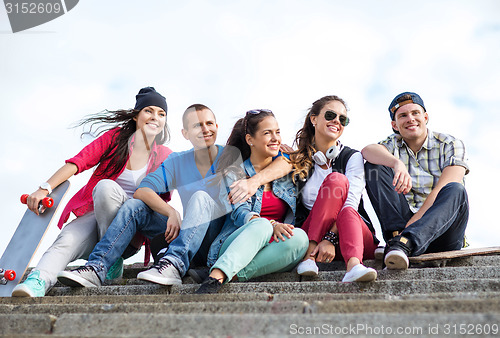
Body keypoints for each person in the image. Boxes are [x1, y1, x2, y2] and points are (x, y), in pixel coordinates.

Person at [56, 104, 291, 287]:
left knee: (200, 197)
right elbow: (143, 189)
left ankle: (174, 265)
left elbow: (286, 161)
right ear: (185, 132)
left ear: (217, 127)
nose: (206, 129)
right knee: (136, 205)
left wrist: (254, 181)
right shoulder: (177, 161)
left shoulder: (231, 155)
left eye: (210, 123)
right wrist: (170, 211)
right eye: (197, 125)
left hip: (215, 236)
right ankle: (97, 267)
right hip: (185, 232)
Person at [12, 87, 173, 297]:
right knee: (67, 239)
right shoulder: (115, 139)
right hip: (98, 217)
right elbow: (79, 162)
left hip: (131, 232)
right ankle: (39, 280)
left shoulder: (165, 156)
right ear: (136, 115)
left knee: (107, 188)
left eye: (161, 114)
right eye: (148, 111)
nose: (155, 118)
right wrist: (45, 188)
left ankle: (112, 258)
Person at [195, 109, 309, 294]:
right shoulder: (234, 173)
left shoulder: (287, 173)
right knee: (261, 224)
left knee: (301, 239)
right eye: (267, 133)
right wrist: (271, 224)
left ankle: (227, 275)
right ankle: (218, 272)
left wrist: (289, 155)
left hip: (271, 248)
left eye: (277, 132)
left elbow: (302, 158)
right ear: (250, 140)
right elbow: (240, 214)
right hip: (236, 242)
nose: (275, 138)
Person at [362, 92, 469, 270]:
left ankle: (403, 244)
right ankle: (396, 240)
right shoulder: (392, 144)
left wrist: (410, 231)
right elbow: (367, 150)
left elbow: (441, 189)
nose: (410, 119)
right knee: (374, 166)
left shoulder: (450, 144)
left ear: (425, 117)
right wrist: (396, 163)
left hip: (443, 232)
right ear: (394, 125)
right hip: (401, 228)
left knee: (455, 190)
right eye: (403, 116)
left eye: (415, 113)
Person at [291, 95, 379, 283]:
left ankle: (354, 266)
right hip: (309, 238)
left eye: (342, 119)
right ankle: (308, 258)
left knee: (339, 188)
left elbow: (352, 202)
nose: (337, 121)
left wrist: (329, 239)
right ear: (314, 119)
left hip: (351, 237)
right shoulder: (297, 161)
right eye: (330, 115)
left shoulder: (351, 157)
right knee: (336, 181)